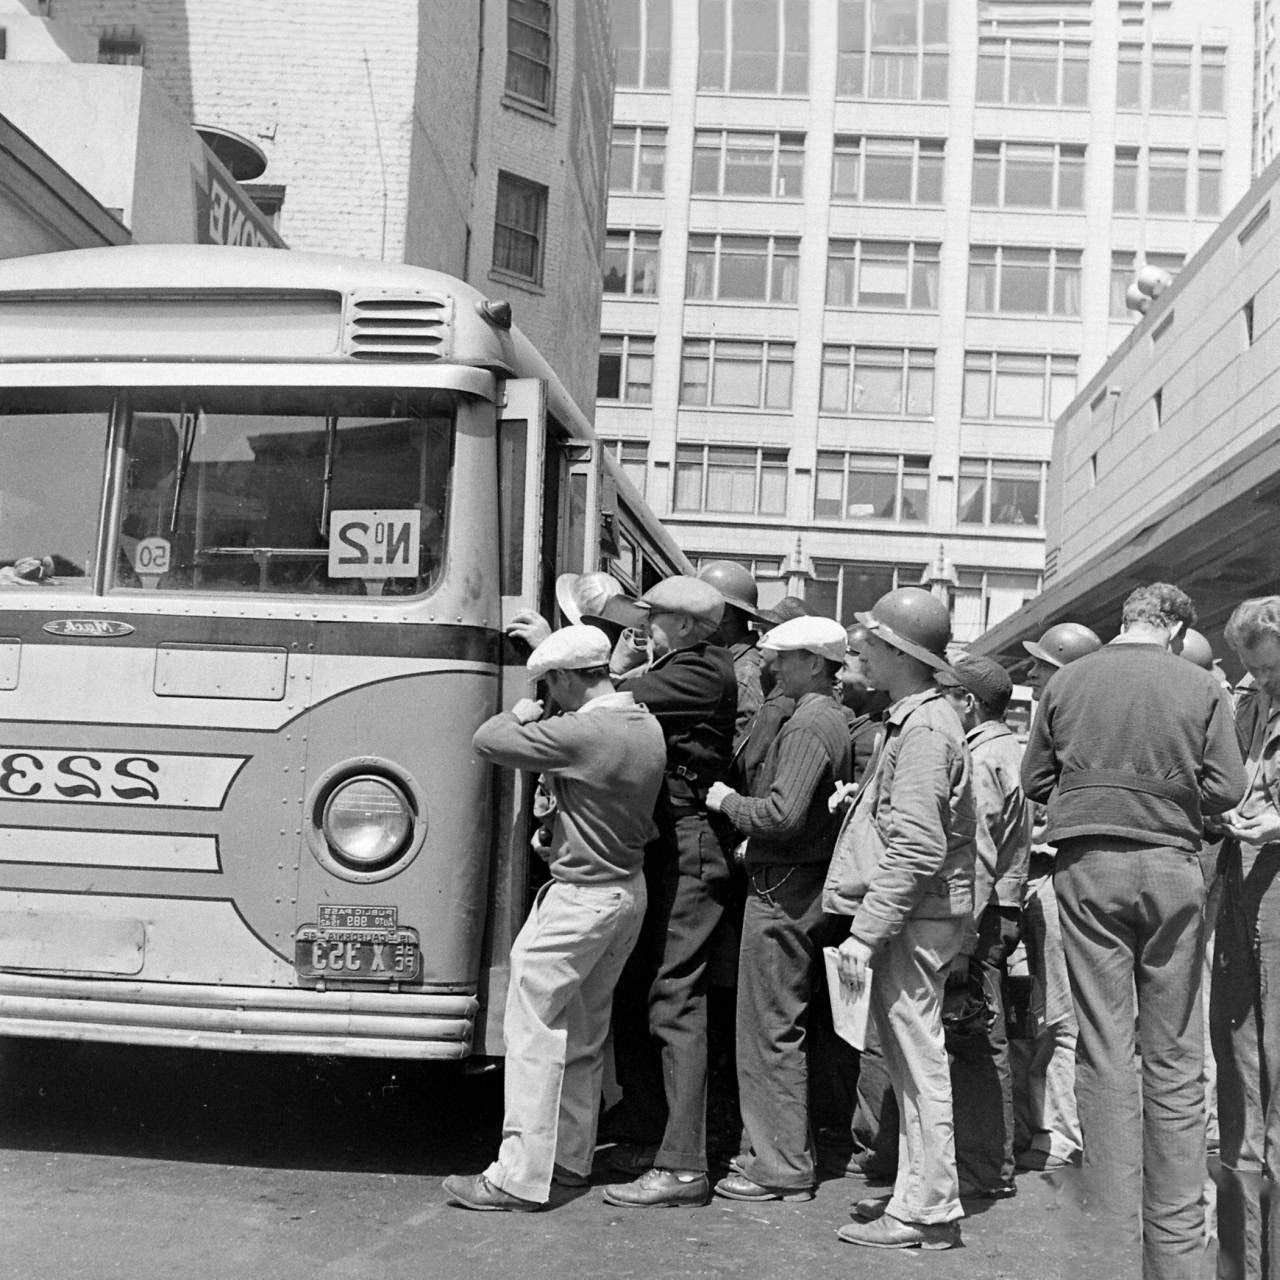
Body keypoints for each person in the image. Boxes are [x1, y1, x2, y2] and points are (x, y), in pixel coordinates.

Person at [1021, 583, 1246, 1279]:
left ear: (1124, 623)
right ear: (1177, 629)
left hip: (1086, 868)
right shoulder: (1200, 684)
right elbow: (1229, 789)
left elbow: (1035, 778)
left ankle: (1113, 1240)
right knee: (1175, 1050)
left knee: (1103, 1047)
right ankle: (1176, 1253)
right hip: (1172, 868)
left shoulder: (1069, 680)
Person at [442, 625, 666, 1212]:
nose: (549, 694)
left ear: (568, 678)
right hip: (623, 892)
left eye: (552, 683)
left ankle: (516, 1176)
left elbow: (489, 740)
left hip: (579, 901)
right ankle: (569, 1160)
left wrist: (520, 705)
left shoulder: (584, 731)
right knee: (586, 1033)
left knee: (533, 1030)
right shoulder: (642, 724)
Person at [824, 587, 976, 1251]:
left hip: (915, 916)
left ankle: (930, 1208)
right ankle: (919, 1197)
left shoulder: (923, 727)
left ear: (896, 652)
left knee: (917, 1064)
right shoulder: (921, 719)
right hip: (924, 911)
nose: (859, 650)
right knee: (916, 1061)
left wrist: (865, 932)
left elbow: (917, 845)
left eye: (870, 642)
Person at [701, 615, 853, 1202]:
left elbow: (784, 816)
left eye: (787, 658)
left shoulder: (809, 723)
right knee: (780, 1026)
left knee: (768, 1030)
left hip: (782, 891)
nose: (774, 666)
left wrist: (729, 802)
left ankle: (782, 1163)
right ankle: (781, 1152)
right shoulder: (824, 718)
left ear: (816, 663)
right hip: (797, 883)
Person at [601, 575, 737, 1208]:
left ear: (686, 626)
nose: (645, 623)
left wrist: (611, 666)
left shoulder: (701, 670)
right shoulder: (682, 660)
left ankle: (683, 1165)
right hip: (666, 841)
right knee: (641, 990)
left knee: (674, 999)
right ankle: (651, 1136)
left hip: (688, 845)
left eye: (654, 616)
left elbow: (601, 701)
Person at [936, 654, 1029, 1200]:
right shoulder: (1006, 749)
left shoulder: (982, 758)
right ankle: (987, 1164)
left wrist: (963, 940)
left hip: (979, 916)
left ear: (968, 702)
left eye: (948, 695)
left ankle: (985, 1168)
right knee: (980, 1038)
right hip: (998, 912)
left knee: (974, 1040)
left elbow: (978, 855)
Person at [1014, 620, 1101, 1174]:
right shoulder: (1067, 719)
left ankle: (1060, 1135)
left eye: (1044, 666)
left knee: (1061, 1019)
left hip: (1063, 875)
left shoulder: (1078, 725)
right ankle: (1042, 1127)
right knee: (1044, 1016)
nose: (1034, 673)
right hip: (1051, 875)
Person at [1214, 597, 1280, 1279]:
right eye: (1255, 674)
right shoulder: (1253, 708)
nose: (1260, 683)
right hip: (1246, 898)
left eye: (1270, 672)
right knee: (1241, 1085)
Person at [697, 560, 770, 752]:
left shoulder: (745, 674)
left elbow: (739, 755)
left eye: (700, 608)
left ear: (725, 613)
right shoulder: (728, 664)